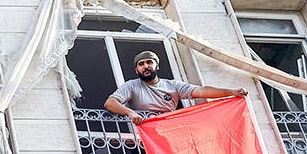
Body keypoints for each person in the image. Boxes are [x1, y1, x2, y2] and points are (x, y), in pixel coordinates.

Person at [104, 50, 247, 123]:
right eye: (141, 64)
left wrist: (231, 92)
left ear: (157, 66)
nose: (145, 66)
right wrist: (131, 113)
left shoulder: (172, 85)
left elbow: (201, 91)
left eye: (149, 62)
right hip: (143, 138)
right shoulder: (132, 86)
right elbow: (110, 103)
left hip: (168, 133)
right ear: (137, 70)